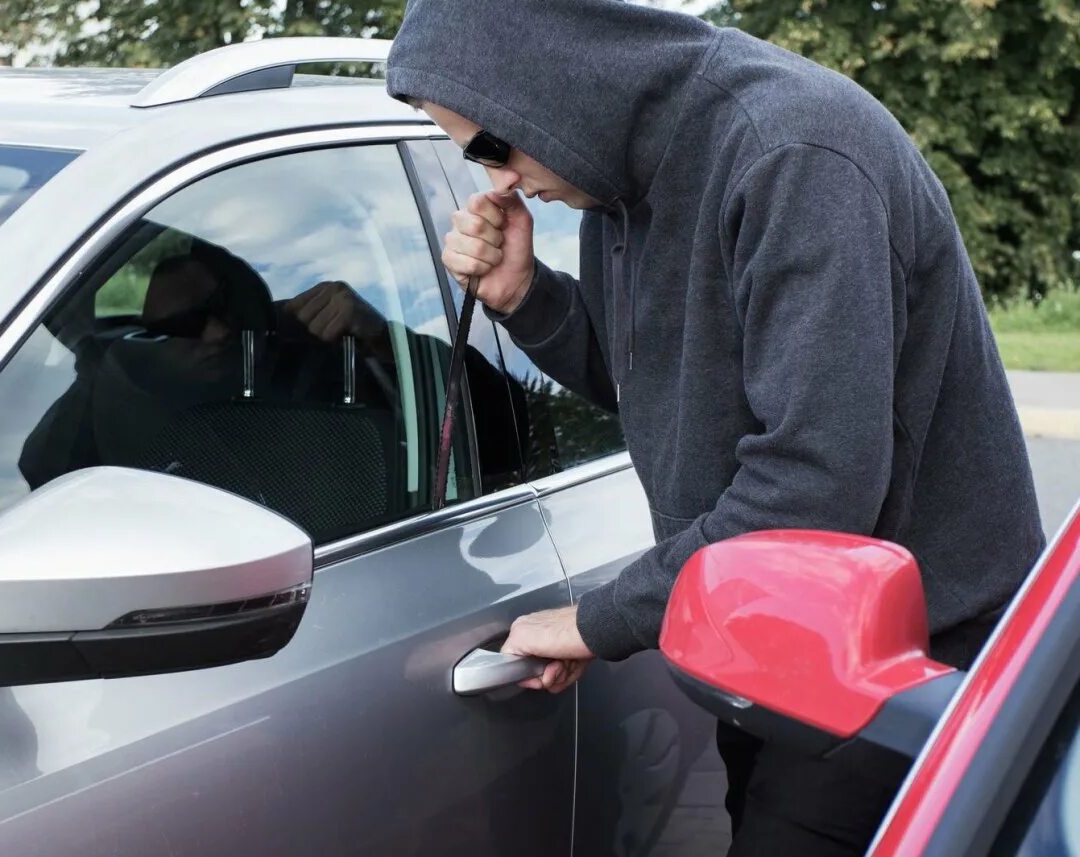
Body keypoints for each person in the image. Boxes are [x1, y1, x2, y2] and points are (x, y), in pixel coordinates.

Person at [384, 1, 1046, 854]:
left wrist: (603, 618)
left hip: (907, 660)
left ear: (549, 86)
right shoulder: (621, 189)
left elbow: (813, 488)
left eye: (490, 146)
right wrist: (527, 297)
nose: (498, 182)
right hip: (773, 632)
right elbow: (663, 393)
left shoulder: (794, 155)